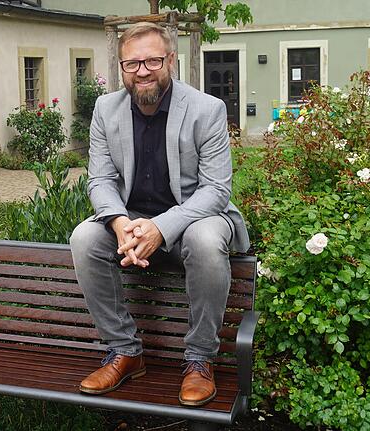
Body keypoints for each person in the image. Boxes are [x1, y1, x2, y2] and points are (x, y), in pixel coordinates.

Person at [69, 22, 250, 407]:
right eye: (132, 64)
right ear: (121, 68)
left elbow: (216, 190)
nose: (142, 71)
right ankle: (125, 351)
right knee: (84, 237)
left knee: (204, 239)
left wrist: (160, 228)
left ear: (171, 60)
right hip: (132, 218)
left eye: (152, 60)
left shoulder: (207, 109)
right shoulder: (106, 108)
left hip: (195, 217)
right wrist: (119, 224)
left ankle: (200, 359)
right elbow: (100, 179)